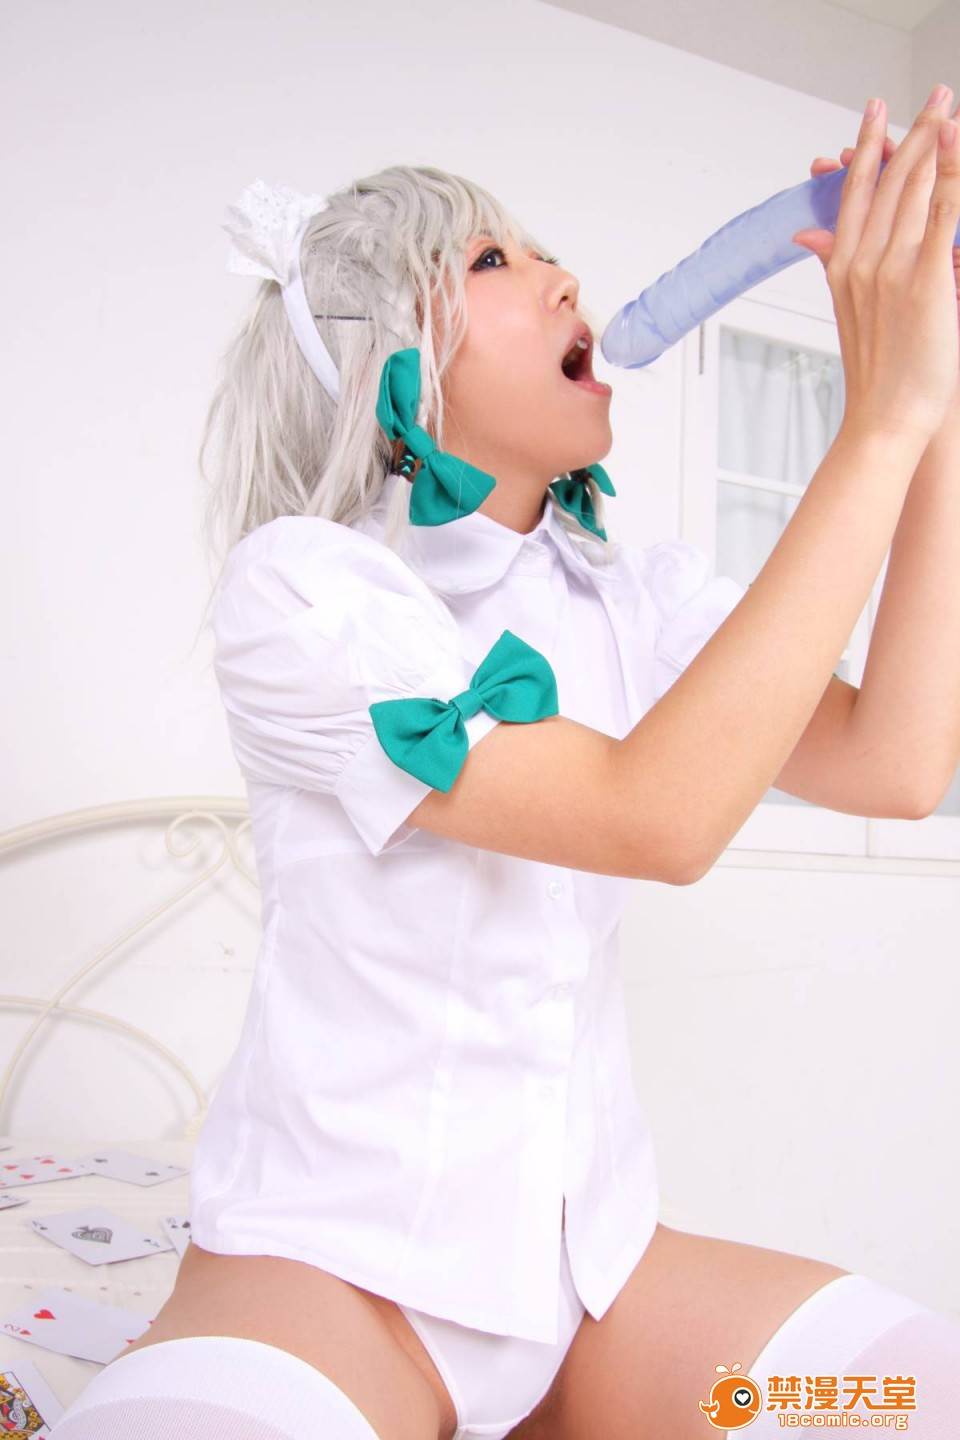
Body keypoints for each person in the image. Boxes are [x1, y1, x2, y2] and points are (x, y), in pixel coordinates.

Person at [49, 90, 960, 1440]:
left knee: (906, 1401)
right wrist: (876, 421)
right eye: (490, 259)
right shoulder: (303, 592)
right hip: (337, 1282)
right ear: (389, 368)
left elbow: (899, 763)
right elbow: (656, 819)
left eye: (542, 251)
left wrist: (931, 400)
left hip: (591, 1287)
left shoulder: (629, 599)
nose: (562, 277)